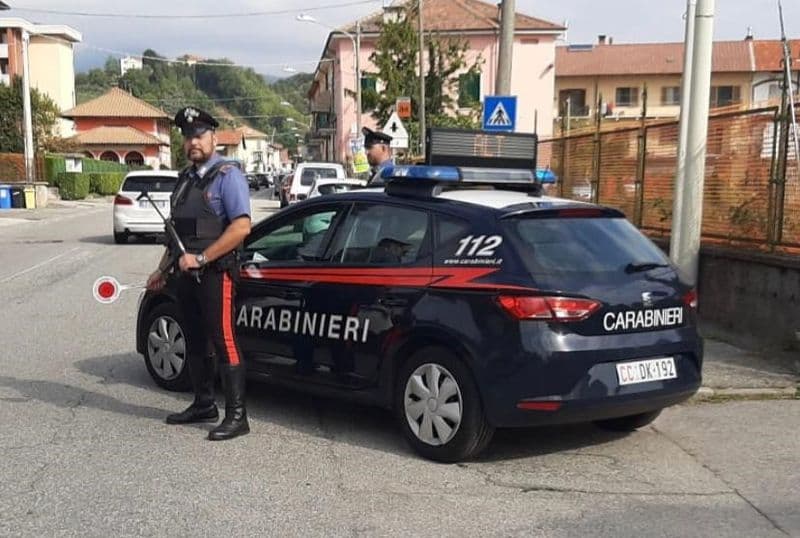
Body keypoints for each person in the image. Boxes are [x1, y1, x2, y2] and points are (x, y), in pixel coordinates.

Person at [146, 106, 252, 441]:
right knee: (193, 337)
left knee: (224, 341)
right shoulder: (184, 181)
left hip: (215, 274)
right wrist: (161, 270)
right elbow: (175, 235)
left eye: (199, 135)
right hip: (184, 276)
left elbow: (241, 228)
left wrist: (202, 257)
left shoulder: (227, 176)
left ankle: (238, 416)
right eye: (188, 136)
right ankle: (204, 403)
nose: (193, 141)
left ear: (214, 138)